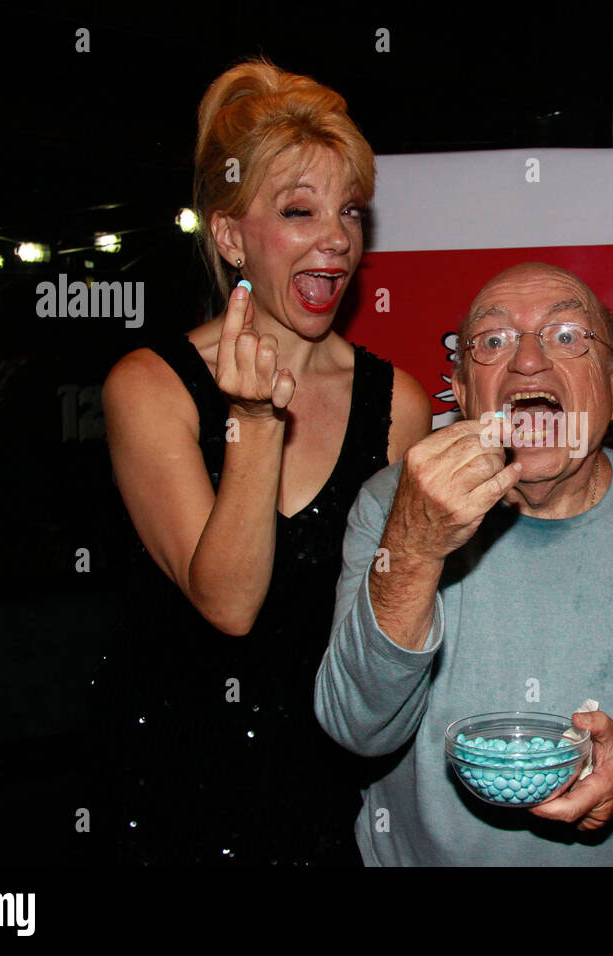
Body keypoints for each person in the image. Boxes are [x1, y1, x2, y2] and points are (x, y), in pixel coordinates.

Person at [88, 58, 431, 865]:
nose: (336, 240)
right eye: (299, 211)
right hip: (170, 793)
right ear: (232, 235)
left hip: (334, 797)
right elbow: (231, 603)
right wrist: (253, 419)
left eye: (348, 211)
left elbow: (398, 611)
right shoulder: (150, 388)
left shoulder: (397, 403)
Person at [314, 263, 613, 865]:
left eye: (566, 336)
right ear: (464, 391)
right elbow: (355, 727)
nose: (527, 362)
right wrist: (415, 546)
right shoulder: (394, 504)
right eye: (493, 342)